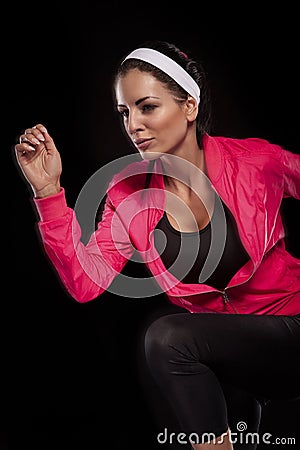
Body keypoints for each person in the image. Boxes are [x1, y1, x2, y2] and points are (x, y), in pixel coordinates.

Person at [14, 40, 300, 450]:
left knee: (167, 338)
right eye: (124, 112)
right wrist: (49, 193)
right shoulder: (128, 195)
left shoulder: (256, 162)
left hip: (292, 332)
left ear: (189, 106)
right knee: (196, 368)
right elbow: (85, 283)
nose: (133, 125)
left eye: (147, 107)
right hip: (235, 363)